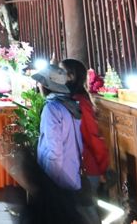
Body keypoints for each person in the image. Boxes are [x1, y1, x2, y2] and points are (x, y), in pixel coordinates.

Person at [31, 67, 100, 224]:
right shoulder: (72, 104)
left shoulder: (52, 108)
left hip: (57, 173)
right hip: (72, 170)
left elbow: (53, 148)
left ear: (46, 86)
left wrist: (48, 179)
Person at [61, 58, 110, 194]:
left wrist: (103, 168)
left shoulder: (80, 103)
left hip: (84, 166)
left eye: (61, 72)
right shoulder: (65, 101)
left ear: (71, 77)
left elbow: (92, 137)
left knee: (86, 212)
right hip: (71, 166)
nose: (57, 74)